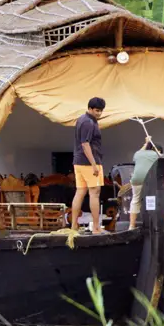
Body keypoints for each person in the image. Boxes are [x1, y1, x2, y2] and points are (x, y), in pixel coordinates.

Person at [71, 97, 105, 232]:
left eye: (101, 111)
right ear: (90, 108)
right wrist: (94, 164)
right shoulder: (88, 122)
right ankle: (96, 227)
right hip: (89, 162)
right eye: (97, 110)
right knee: (94, 193)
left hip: (79, 162)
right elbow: (85, 144)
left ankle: (74, 225)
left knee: (80, 192)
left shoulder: (81, 119)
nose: (99, 113)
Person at [129, 140, 164, 229]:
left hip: (136, 180)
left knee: (135, 200)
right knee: (151, 201)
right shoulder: (158, 155)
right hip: (149, 180)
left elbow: (141, 151)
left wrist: (146, 143)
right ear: (158, 150)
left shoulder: (138, 154)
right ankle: (152, 226)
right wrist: (162, 183)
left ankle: (131, 225)